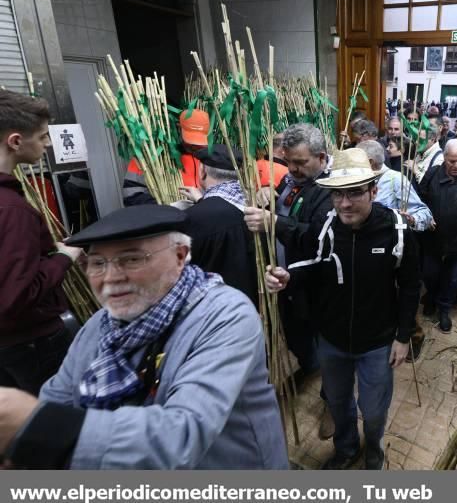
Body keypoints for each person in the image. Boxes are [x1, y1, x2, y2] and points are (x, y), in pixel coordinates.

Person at [0, 205, 289, 469]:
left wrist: (40, 426)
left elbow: (184, 432)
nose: (111, 277)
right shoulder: (100, 326)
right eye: (98, 263)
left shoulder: (225, 314)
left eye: (131, 259)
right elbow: (59, 396)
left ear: (180, 256)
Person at [264, 148, 420, 470]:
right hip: (332, 340)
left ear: (373, 191)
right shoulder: (326, 226)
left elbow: (409, 287)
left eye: (354, 193)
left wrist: (403, 337)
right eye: (338, 195)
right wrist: (288, 276)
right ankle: (347, 448)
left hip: (377, 342)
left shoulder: (397, 230)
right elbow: (314, 263)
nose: (345, 204)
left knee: (374, 408)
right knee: (337, 402)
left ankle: (373, 447)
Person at [243, 123, 335, 439]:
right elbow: (284, 195)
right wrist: (270, 192)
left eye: (299, 163)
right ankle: (312, 367)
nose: (291, 169)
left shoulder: (331, 189)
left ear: (321, 157)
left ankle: (333, 403)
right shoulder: (291, 177)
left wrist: (274, 222)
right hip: (286, 280)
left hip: (317, 283)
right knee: (297, 336)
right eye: (288, 161)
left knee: (328, 345)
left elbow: (316, 236)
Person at [0, 90, 82, 395]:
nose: (48, 143)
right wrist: (65, 257)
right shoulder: (11, 209)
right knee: (60, 417)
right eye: (43, 136)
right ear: (16, 141)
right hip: (32, 342)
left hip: (8, 346)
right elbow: (16, 296)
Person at [358, 140, 433, 362]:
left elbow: (424, 213)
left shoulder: (394, 180)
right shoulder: (358, 180)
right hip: (367, 253)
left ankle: (414, 337)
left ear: (370, 163)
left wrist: (410, 219)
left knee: (402, 296)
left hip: (394, 254)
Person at [178, 146, 260, 308]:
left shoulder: (194, 218)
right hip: (257, 307)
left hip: (216, 311)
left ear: (202, 171)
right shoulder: (257, 209)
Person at [417, 139, 457, 333]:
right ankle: (430, 297)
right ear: (444, 158)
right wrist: (424, 217)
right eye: (451, 161)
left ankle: (444, 311)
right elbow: (419, 199)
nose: (456, 166)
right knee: (430, 274)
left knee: (452, 279)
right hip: (433, 237)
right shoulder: (432, 174)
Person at [122, 109, 208, 206]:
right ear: (179, 129)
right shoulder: (150, 156)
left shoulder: (210, 158)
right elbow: (131, 196)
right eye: (190, 140)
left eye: (198, 142)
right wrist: (165, 208)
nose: (194, 147)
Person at [409, 118, 443, 185]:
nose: (416, 142)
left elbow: (432, 186)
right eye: (416, 138)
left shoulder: (439, 159)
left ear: (432, 139)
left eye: (420, 140)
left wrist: (416, 171)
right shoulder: (421, 152)